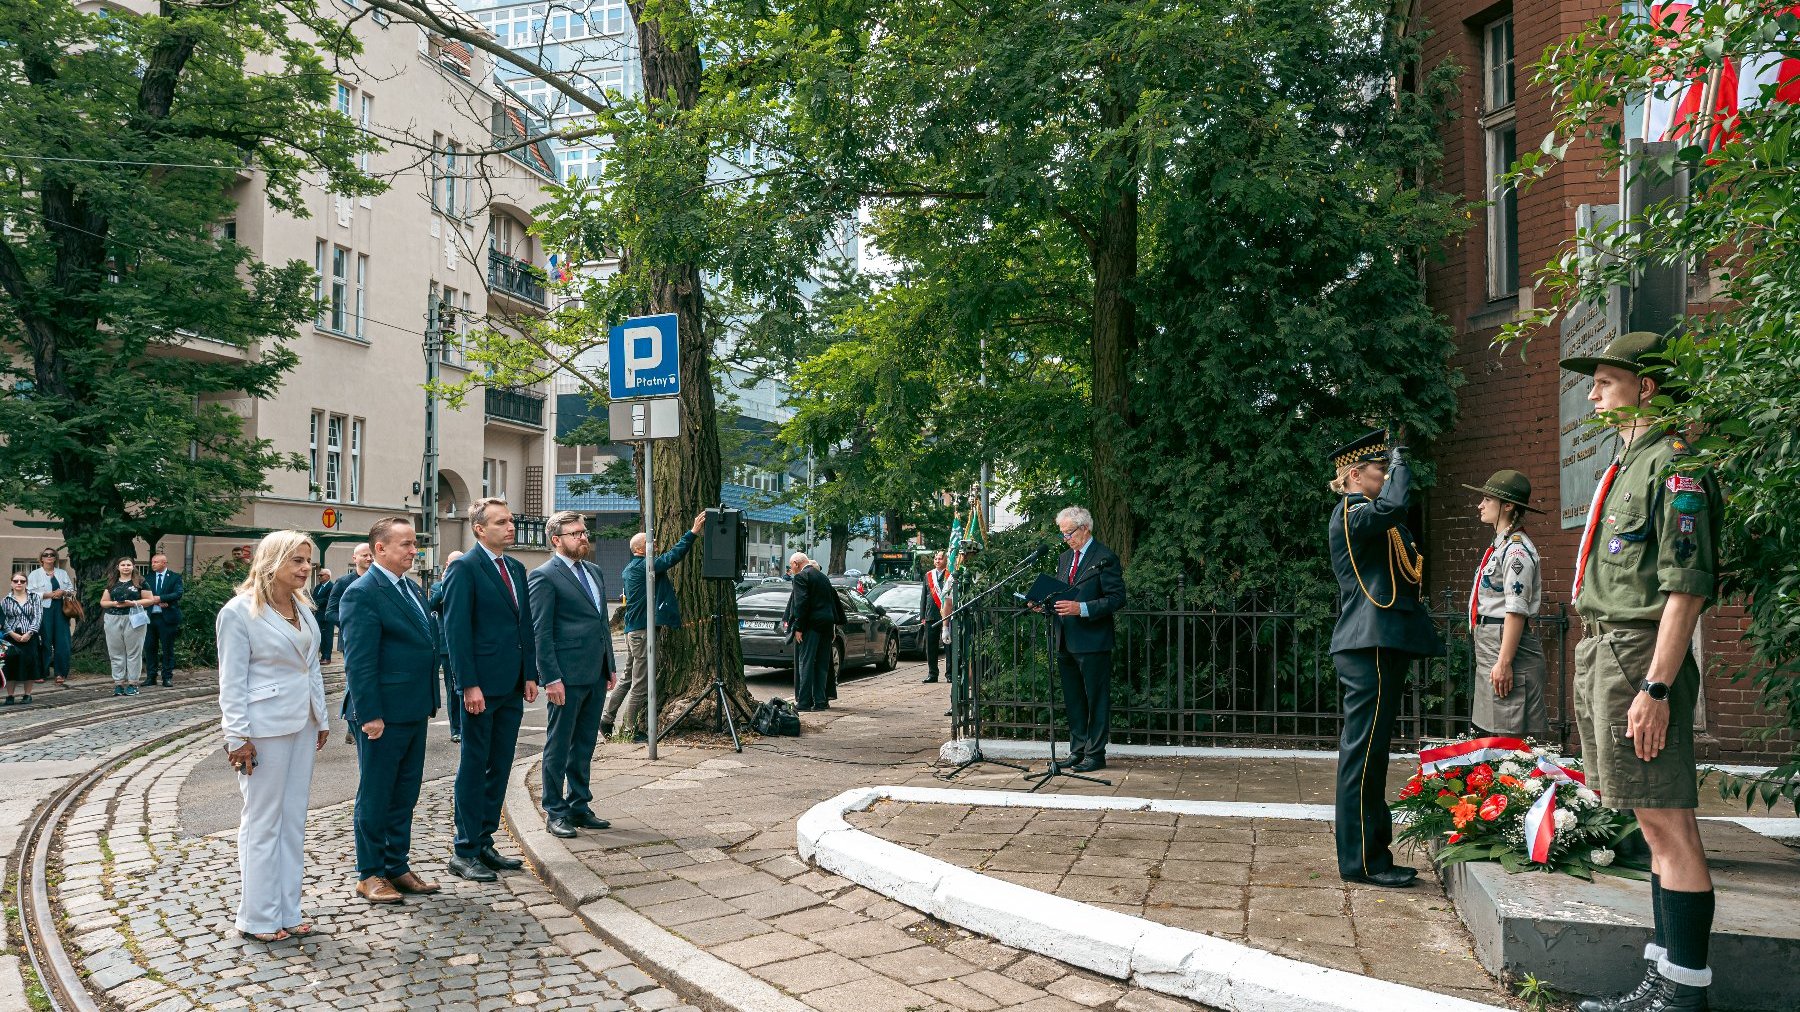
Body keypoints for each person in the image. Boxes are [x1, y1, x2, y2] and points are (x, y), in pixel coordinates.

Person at [1562, 333, 1721, 1012]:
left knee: (1669, 823)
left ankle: (1684, 993)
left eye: (1604, 381)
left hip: (1638, 656)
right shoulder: (1630, 463)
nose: (1592, 393)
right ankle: (1664, 976)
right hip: (1607, 650)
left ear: (1646, 388)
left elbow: (1685, 588)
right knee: (1652, 825)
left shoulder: (1676, 468)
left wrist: (1656, 686)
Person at [1326, 429, 1444, 889]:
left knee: (1373, 756)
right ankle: (1362, 861)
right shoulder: (1352, 513)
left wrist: (1395, 469)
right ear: (1356, 475)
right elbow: (1393, 506)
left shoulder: (1373, 518)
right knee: (1362, 756)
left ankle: (1373, 853)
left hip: (1377, 643)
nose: (1387, 475)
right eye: (1381, 469)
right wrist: (1402, 464)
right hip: (1365, 646)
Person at [216, 531, 331, 943]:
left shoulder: (303, 606)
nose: (306, 569)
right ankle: (257, 917)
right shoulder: (239, 612)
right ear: (272, 562)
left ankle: (287, 909)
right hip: (262, 730)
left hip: (301, 724)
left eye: (309, 562)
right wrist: (237, 738)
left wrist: (321, 718)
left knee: (293, 820)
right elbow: (231, 682)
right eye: (298, 561)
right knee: (262, 822)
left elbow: (311, 668)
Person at [339, 517, 441, 905]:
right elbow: (359, 661)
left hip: (413, 706)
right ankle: (369, 873)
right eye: (406, 545)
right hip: (381, 712)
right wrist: (369, 714)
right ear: (380, 549)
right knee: (377, 793)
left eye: (414, 544)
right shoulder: (363, 592)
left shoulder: (411, 588)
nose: (414, 551)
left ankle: (397, 865)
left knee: (405, 791)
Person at [441, 497, 537, 883]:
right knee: (474, 765)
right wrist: (468, 684)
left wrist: (530, 673)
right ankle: (464, 849)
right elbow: (456, 630)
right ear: (479, 529)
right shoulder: (465, 567)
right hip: (481, 686)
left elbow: (524, 624)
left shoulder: (515, 567)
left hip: (512, 683)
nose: (510, 527)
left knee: (500, 764)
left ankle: (484, 840)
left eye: (511, 521)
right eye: (501, 522)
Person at [528, 512, 618, 839]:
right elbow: (541, 632)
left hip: (594, 673)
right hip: (565, 677)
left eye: (583, 532)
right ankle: (555, 810)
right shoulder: (544, 576)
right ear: (556, 540)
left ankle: (579, 804)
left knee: (584, 744)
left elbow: (600, 623)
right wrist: (550, 678)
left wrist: (610, 667)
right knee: (558, 744)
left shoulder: (593, 571)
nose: (583, 537)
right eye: (575, 533)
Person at [1462, 469, 1549, 739]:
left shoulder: (1516, 550)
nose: (1480, 505)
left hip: (1505, 644)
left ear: (1508, 506)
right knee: (1491, 730)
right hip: (1491, 643)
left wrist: (1504, 663)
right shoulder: (1500, 546)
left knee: (1505, 735)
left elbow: (1515, 611)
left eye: (1488, 499)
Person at [605, 512, 705, 741]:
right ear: (642, 548)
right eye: (652, 544)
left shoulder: (630, 568)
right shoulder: (644, 567)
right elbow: (672, 557)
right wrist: (692, 533)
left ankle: (607, 719)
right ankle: (630, 730)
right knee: (640, 684)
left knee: (627, 678)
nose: (657, 546)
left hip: (634, 630)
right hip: (642, 632)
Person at [1047, 507, 1128, 772]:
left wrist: (1081, 609)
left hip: (1093, 640)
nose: (1066, 538)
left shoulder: (1104, 557)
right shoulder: (1064, 558)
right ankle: (1077, 750)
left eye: (1069, 533)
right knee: (1074, 699)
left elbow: (1116, 598)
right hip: (1065, 639)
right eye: (1063, 534)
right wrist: (1044, 604)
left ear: (1085, 529)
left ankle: (1095, 753)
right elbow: (1061, 593)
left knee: (1095, 699)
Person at [786, 552, 845, 712]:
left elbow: (801, 604)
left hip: (810, 626)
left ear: (797, 563)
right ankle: (820, 701)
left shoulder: (801, 577)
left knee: (805, 662)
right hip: (826, 624)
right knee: (821, 664)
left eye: (791, 565)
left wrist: (798, 627)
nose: (791, 569)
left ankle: (804, 702)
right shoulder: (822, 577)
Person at [100, 557, 150, 697]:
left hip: (134, 617)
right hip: (113, 618)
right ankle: (118, 683)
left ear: (133, 566)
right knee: (116, 652)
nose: (126, 567)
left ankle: (133, 683)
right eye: (123, 564)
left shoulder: (140, 582)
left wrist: (133, 603)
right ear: (118, 567)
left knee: (134, 652)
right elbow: (103, 602)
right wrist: (115, 603)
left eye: (129, 564)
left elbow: (149, 600)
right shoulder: (112, 582)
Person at [428, 551, 464, 743]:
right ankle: (456, 728)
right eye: (452, 565)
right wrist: (446, 583)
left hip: (468, 643)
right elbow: (433, 605)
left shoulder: (468, 582)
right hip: (446, 645)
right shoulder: (437, 586)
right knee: (453, 688)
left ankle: (468, 727)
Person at [26, 549, 75, 686]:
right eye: (45, 555)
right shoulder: (35, 574)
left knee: (62, 642)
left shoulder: (62, 573)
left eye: (52, 555)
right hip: (43, 610)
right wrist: (47, 595)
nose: (49, 557)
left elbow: (71, 590)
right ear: (41, 558)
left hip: (61, 610)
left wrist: (64, 591)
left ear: (55, 558)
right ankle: (42, 672)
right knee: (44, 641)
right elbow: (29, 592)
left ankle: (61, 673)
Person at [143, 552, 185, 687]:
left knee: (167, 648)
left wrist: (161, 599)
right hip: (150, 617)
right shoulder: (147, 577)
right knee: (150, 648)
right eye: (152, 562)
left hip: (167, 618)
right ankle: (151, 677)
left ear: (164, 563)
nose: (153, 564)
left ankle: (167, 677)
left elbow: (178, 593)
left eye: (156, 562)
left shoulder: (174, 577)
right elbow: (142, 593)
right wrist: (152, 601)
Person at [3, 573, 44, 704]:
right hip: (12, 636)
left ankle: (27, 694)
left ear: (26, 583)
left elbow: (38, 616)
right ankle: (10, 696)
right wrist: (12, 633)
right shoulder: (5, 600)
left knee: (30, 664)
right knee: (10, 665)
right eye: (16, 581)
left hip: (29, 636)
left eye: (22, 581)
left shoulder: (34, 597)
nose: (19, 583)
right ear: (11, 583)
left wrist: (29, 633)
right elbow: (3, 620)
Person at [919, 552, 950, 684]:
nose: (937, 561)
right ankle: (932, 674)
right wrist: (922, 615)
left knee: (949, 646)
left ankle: (950, 674)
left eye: (940, 558)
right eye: (936, 558)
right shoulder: (928, 575)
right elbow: (923, 597)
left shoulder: (950, 574)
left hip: (946, 615)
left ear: (946, 560)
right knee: (931, 647)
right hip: (931, 615)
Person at [312, 568, 336, 664]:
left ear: (328, 576)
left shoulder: (332, 586)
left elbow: (328, 600)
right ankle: (322, 656)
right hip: (318, 615)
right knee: (319, 636)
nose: (319, 577)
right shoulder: (318, 587)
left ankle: (327, 657)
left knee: (327, 637)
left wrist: (315, 603)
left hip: (327, 616)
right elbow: (314, 598)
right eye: (319, 575)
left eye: (321, 575)